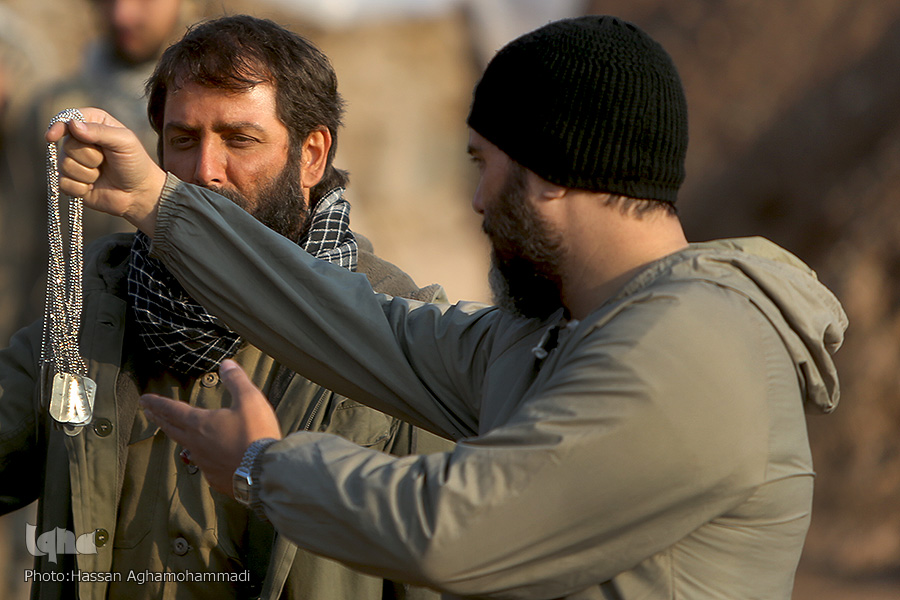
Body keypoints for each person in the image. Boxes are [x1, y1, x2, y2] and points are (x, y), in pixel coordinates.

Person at [53, 16, 849, 600]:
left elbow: (451, 530)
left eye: (484, 164)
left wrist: (265, 468)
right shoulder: (562, 336)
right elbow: (360, 327)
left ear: (552, 173)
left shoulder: (694, 347)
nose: (474, 199)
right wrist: (158, 202)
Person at [4, 15, 449, 600]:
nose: (204, 171)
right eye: (183, 140)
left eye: (240, 140)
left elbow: (442, 563)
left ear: (311, 155)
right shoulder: (85, 311)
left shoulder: (399, 328)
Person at [3, 0, 199, 343]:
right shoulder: (52, 111)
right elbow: (14, 250)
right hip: (73, 347)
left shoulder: (213, 118)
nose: (122, 15)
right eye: (107, 0)